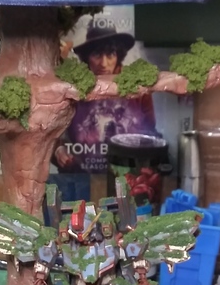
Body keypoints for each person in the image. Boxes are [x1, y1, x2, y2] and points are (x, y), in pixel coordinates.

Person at [54, 18, 157, 173]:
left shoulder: (138, 87)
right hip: (82, 176)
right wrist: (58, 151)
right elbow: (51, 134)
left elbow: (150, 132)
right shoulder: (72, 87)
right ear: (87, 57)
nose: (104, 63)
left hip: (128, 175)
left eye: (110, 54)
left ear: (118, 56)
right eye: (96, 54)